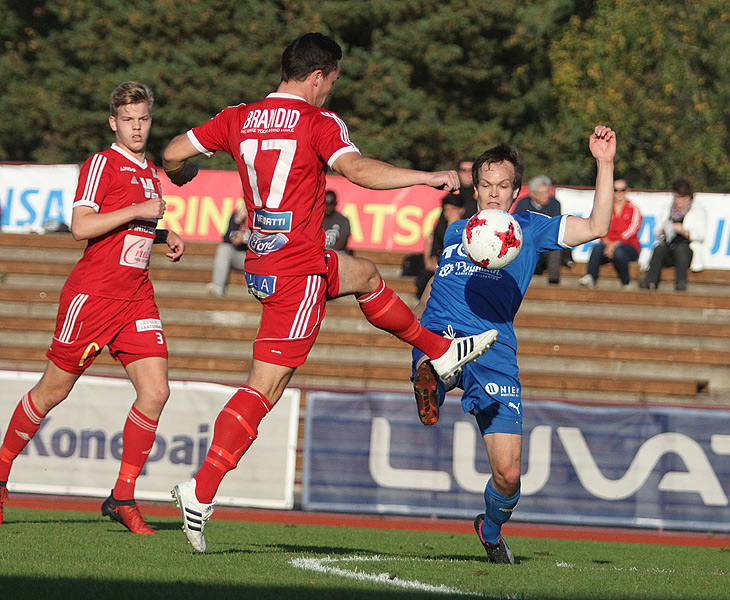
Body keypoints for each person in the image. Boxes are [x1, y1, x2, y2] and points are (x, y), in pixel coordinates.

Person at [161, 32, 497, 552]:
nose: (330, 93)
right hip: (296, 274)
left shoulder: (238, 116)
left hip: (266, 262)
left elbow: (172, 153)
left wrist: (185, 173)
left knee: (363, 274)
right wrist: (426, 176)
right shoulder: (317, 122)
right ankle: (199, 492)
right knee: (266, 386)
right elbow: (357, 170)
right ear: (318, 75)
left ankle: (438, 350)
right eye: (331, 83)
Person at [412, 124, 617, 563]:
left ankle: (489, 527)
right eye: (484, 185)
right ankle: (432, 376)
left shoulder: (529, 228)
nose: (492, 194)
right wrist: (416, 327)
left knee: (508, 475)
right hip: (442, 330)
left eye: (502, 186)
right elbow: (435, 282)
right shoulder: (456, 232)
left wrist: (604, 163)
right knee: (434, 362)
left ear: (516, 191)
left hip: (495, 347)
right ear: (475, 188)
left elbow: (599, 224)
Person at [0, 82, 185, 534]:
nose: (137, 127)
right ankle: (0, 475)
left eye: (143, 119)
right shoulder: (102, 163)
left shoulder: (150, 172)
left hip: (136, 296)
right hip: (94, 296)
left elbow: (131, 224)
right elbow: (81, 226)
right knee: (52, 392)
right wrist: (141, 210)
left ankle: (122, 497)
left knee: (156, 391)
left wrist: (163, 234)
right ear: (113, 123)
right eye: (128, 120)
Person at [638, 177, 706, 291]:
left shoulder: (697, 211)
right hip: (669, 246)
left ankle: (680, 282)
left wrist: (683, 231)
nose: (678, 201)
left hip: (686, 248)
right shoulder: (667, 209)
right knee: (659, 249)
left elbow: (700, 235)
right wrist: (663, 230)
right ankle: (650, 282)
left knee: (681, 250)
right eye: (676, 197)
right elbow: (656, 231)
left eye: (681, 198)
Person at [580, 178, 642, 287]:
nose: (619, 193)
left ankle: (626, 281)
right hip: (609, 244)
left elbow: (632, 230)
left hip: (628, 245)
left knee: (619, 252)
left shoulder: (633, 209)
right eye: (615, 190)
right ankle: (590, 277)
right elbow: (601, 227)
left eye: (622, 190)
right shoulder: (607, 209)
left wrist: (615, 244)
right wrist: (608, 243)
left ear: (627, 191)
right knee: (596, 249)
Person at [512, 175, 570, 284]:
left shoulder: (554, 204)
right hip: (527, 242)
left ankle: (553, 279)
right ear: (533, 194)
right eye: (542, 193)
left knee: (555, 245)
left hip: (545, 241)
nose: (546, 195)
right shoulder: (523, 204)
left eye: (547, 192)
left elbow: (554, 226)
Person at [413, 193, 467, 298]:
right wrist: (429, 260)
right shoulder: (440, 227)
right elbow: (433, 245)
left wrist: (452, 224)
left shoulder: (466, 229)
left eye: (453, 209)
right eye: (446, 209)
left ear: (461, 210)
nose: (449, 213)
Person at [207, 203, 249, 296]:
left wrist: (245, 238)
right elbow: (226, 239)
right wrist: (237, 221)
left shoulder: (263, 213)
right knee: (224, 248)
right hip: (241, 257)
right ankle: (217, 287)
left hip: (258, 258)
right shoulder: (239, 213)